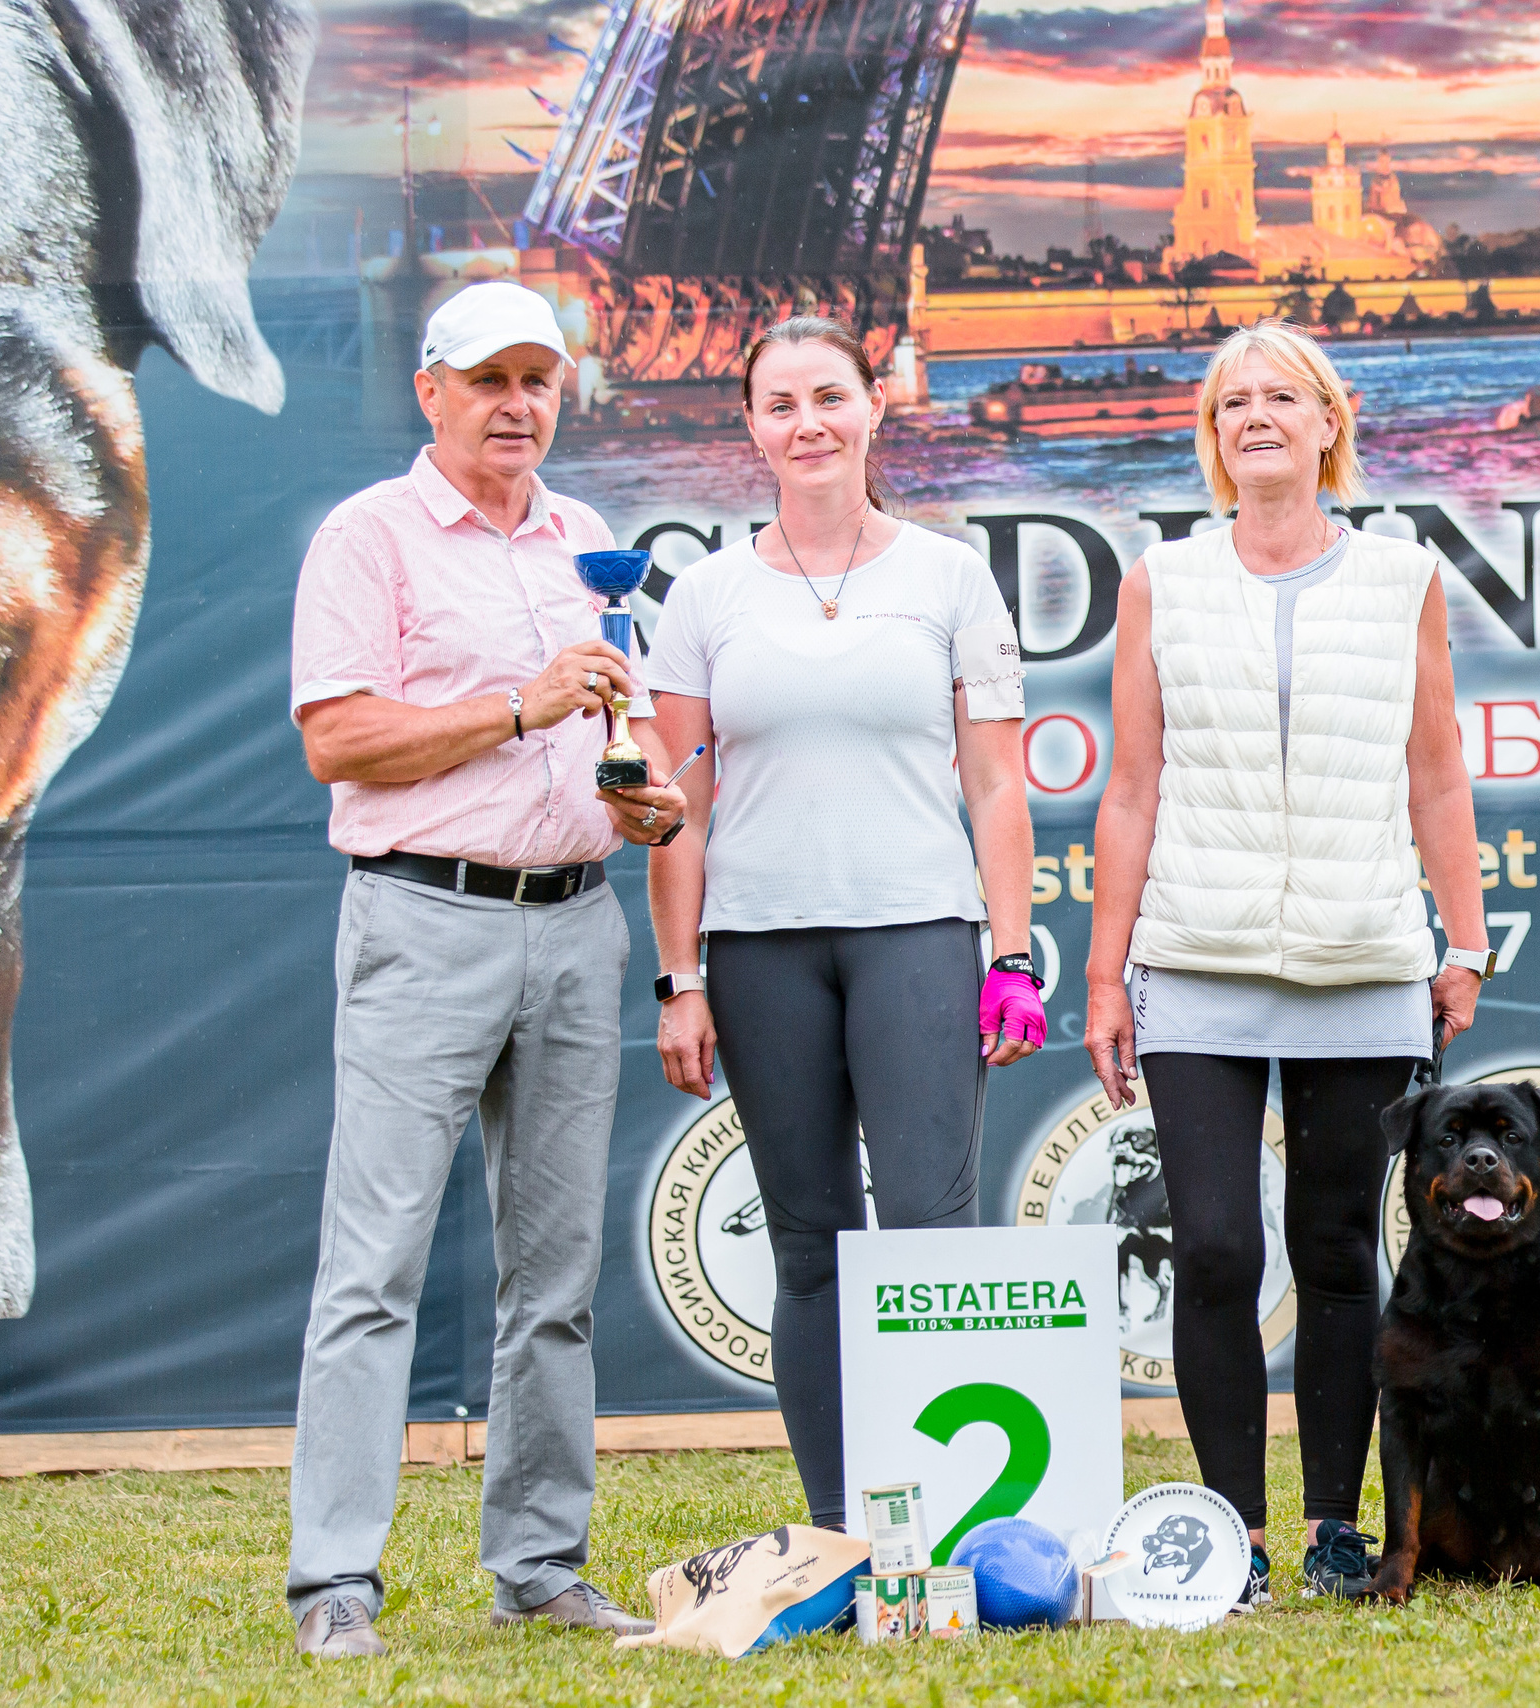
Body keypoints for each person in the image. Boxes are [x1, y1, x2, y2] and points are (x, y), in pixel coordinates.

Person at [283, 281, 689, 1659]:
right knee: (374, 1267)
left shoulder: (584, 539)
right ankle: (335, 1580)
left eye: (539, 380)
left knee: (557, 1277)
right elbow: (338, 740)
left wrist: (647, 799)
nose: (519, 405)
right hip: (422, 917)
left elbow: (621, 731)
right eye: (491, 379)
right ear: (431, 392)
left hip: (577, 919)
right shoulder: (369, 536)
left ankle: (540, 1562)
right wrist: (523, 704)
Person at [1083, 319, 1491, 1607]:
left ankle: (1330, 1525)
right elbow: (1131, 787)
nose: (1255, 416)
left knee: (1332, 1248)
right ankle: (1231, 1535)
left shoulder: (1403, 577)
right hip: (1195, 960)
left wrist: (1462, 940)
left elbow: (1436, 774)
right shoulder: (1160, 580)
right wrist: (1103, 976)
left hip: (1361, 962)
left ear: (1328, 423)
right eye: (1231, 402)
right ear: (1213, 437)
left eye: (1280, 397)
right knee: (1211, 1247)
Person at [645, 315, 1043, 1530]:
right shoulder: (703, 596)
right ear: (750, 427)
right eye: (780, 405)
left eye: (829, 396)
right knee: (810, 1249)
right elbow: (677, 809)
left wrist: (1011, 955)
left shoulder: (949, 576)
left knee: (928, 1237)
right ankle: (840, 1534)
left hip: (916, 935)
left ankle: (946, 1533)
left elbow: (996, 784)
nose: (807, 424)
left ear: (876, 404)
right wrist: (679, 979)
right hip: (760, 952)